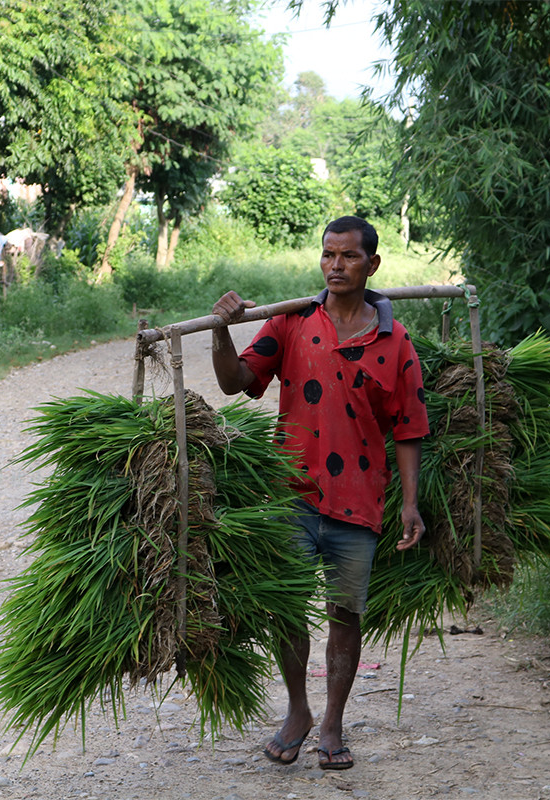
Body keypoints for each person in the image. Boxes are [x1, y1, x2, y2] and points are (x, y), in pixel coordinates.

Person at [211, 215, 429, 771]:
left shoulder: (394, 342)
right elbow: (235, 380)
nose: (335, 265)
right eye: (328, 255)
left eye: (348, 256)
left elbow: (408, 429)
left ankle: (333, 720)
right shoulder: (292, 323)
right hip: (292, 492)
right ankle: (298, 710)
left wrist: (409, 502)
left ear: (372, 264)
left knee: (345, 614)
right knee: (287, 609)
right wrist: (221, 330)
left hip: (359, 503)